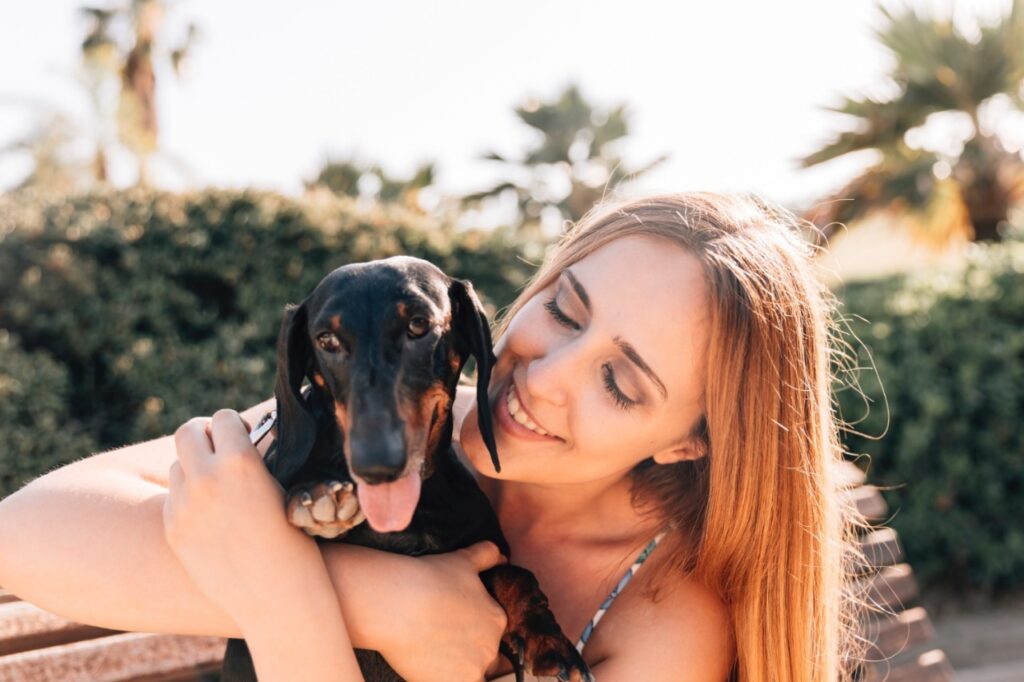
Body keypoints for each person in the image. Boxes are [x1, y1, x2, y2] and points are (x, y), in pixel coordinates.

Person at [0, 192, 869, 681]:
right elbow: (23, 536)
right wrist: (385, 600)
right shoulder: (395, 421)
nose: (543, 376)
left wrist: (284, 597)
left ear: (689, 441)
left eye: (619, 382)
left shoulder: (667, 628)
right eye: (564, 310)